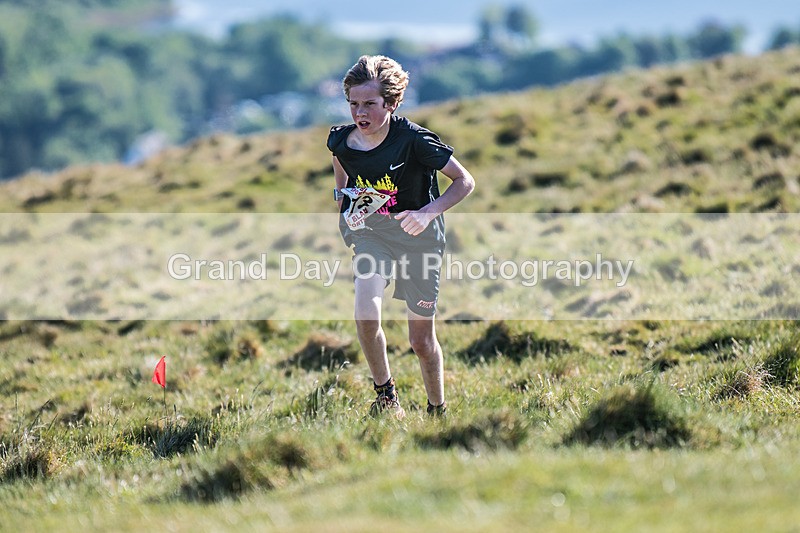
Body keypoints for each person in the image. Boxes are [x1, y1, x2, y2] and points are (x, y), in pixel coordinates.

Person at [327, 55, 475, 419]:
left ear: (391, 104)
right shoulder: (341, 141)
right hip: (373, 236)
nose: (360, 113)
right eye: (354, 104)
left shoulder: (414, 140)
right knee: (365, 313)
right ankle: (386, 395)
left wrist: (426, 214)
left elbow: (464, 181)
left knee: (420, 342)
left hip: (419, 239)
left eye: (370, 104)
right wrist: (345, 209)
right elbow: (341, 172)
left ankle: (437, 410)